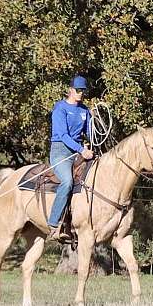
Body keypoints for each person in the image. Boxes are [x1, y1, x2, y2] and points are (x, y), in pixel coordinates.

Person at [47, 75, 94, 240]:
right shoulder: (60, 108)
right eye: (78, 90)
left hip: (79, 151)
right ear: (70, 90)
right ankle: (53, 224)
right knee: (67, 182)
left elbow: (89, 132)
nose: (81, 93)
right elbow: (63, 135)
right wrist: (81, 150)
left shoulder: (84, 110)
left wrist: (92, 139)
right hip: (61, 151)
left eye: (83, 91)